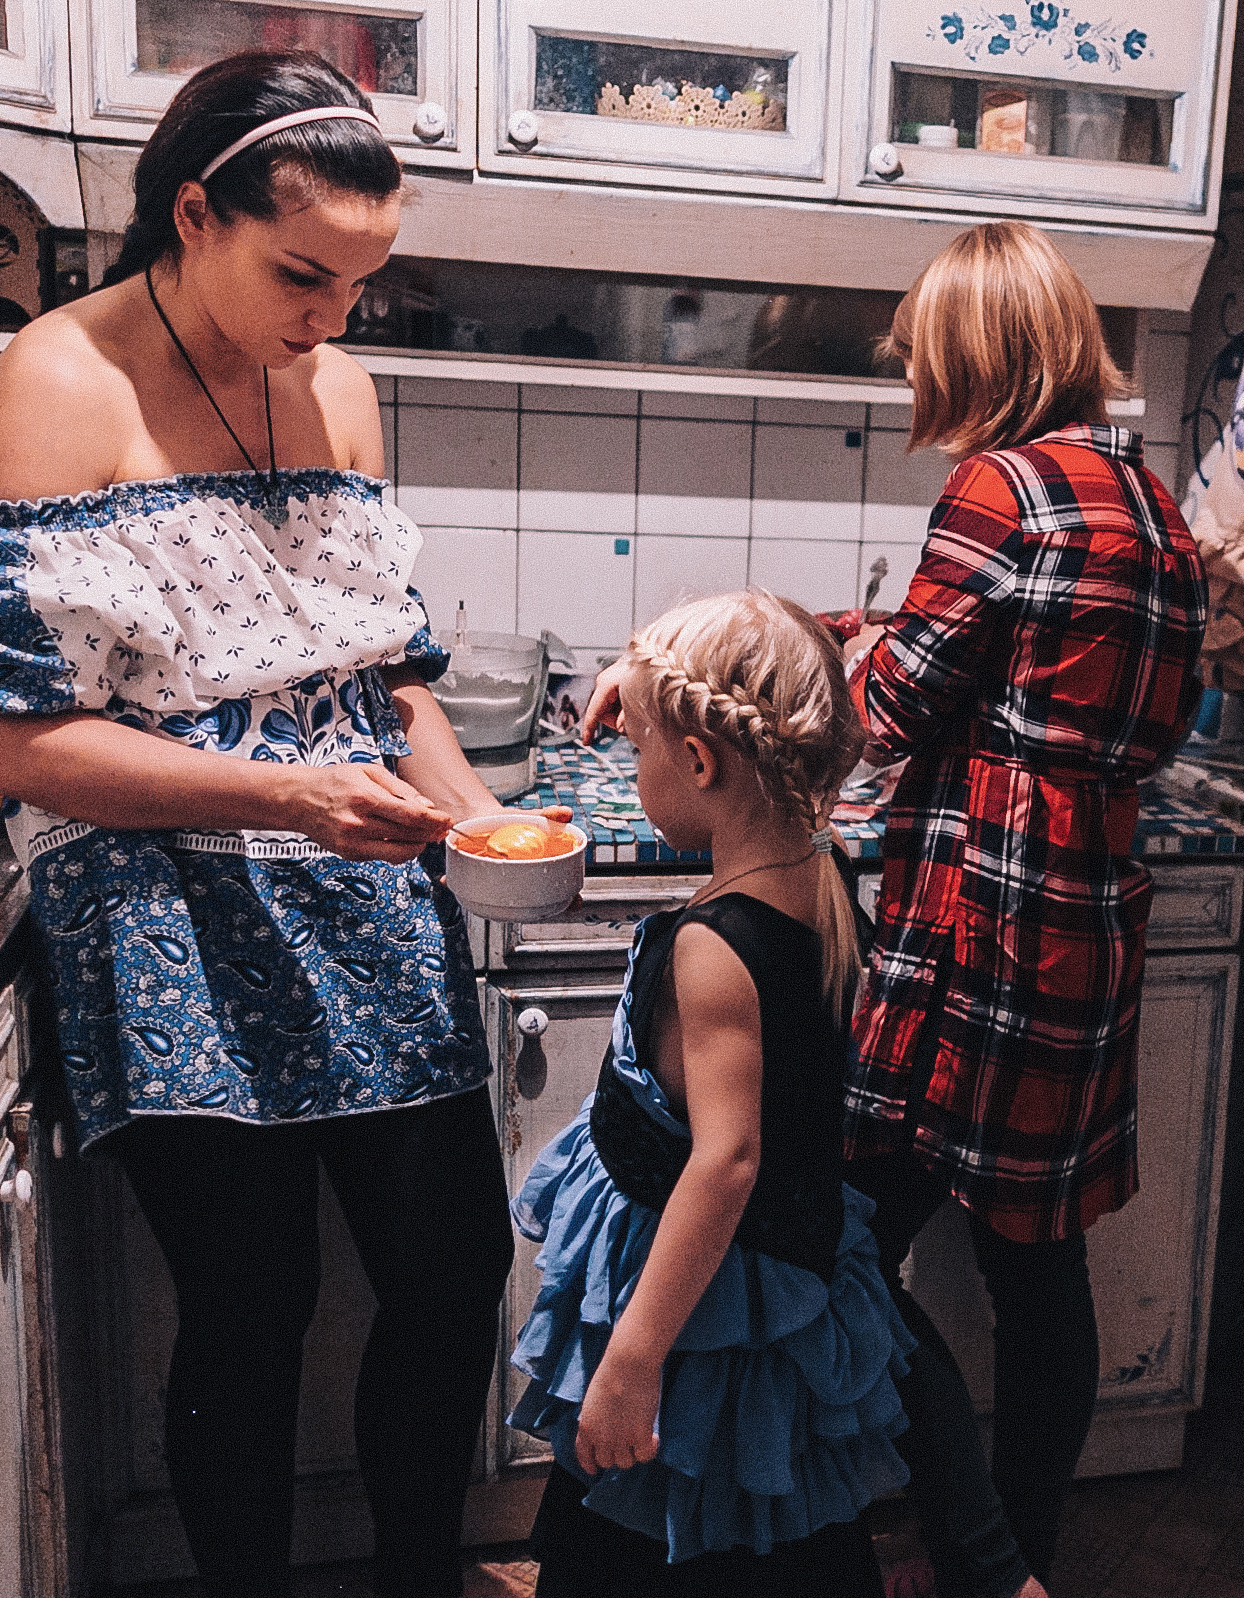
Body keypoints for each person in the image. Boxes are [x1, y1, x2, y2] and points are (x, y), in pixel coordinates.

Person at [0, 52, 513, 1598]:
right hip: (163, 909)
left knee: (451, 1274)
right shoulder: (56, 380)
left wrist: (481, 818)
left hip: (359, 883)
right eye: (304, 273)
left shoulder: (339, 387)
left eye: (362, 282)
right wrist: (288, 791)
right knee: (250, 1303)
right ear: (192, 213)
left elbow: (386, 681)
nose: (331, 317)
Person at [842, 220, 1210, 1598]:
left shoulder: (1000, 486)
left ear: (974, 353)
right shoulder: (1148, 497)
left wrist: (854, 653)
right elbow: (1105, 696)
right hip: (1082, 907)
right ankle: (1020, 1551)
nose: (915, 375)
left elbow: (888, 713)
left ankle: (959, 1553)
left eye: (927, 351)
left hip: (974, 908)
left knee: (839, 1235)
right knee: (1033, 1268)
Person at [521, 591, 916, 1597]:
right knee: (774, 1546)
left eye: (645, 743)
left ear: (701, 761)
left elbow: (726, 1159)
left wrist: (633, 1357)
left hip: (695, 1326)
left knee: (642, 1550)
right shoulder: (817, 876)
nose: (634, 760)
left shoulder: (712, 950)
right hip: (775, 1293)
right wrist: (648, 684)